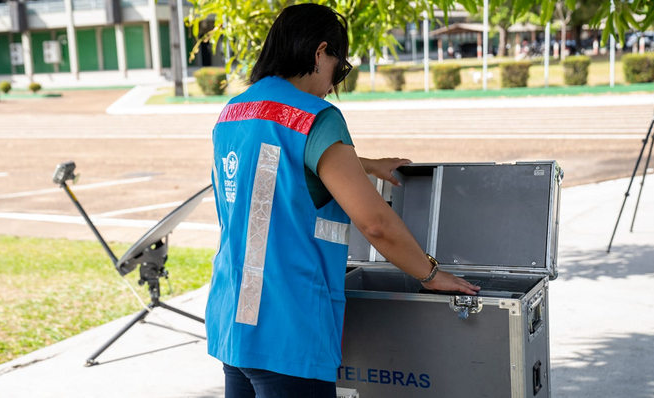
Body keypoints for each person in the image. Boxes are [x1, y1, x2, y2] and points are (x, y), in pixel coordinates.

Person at [206, 4, 481, 398]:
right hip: (289, 329)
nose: (336, 81)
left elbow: (271, 166)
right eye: (342, 65)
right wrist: (430, 274)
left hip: (235, 321)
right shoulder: (315, 116)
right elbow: (376, 224)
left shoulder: (233, 112)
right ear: (320, 53)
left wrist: (362, 164)